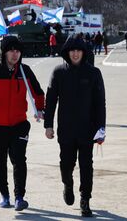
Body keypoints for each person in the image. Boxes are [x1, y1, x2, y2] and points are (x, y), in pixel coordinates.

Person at [0, 36, 45, 211]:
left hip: (19, 124)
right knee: (0, 161)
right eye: (11, 50)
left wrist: (40, 109)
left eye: (18, 51)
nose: (15, 54)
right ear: (4, 53)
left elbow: (38, 93)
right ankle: (4, 195)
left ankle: (20, 197)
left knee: (19, 160)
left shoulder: (24, 71)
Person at [44, 35, 106, 218]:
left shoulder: (94, 74)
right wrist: (48, 125)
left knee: (86, 165)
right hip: (66, 129)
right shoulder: (58, 72)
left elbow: (100, 103)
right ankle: (68, 184)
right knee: (66, 164)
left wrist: (101, 128)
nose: (76, 53)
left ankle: (85, 199)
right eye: (72, 50)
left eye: (79, 50)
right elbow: (51, 101)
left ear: (84, 52)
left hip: (87, 129)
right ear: (67, 52)